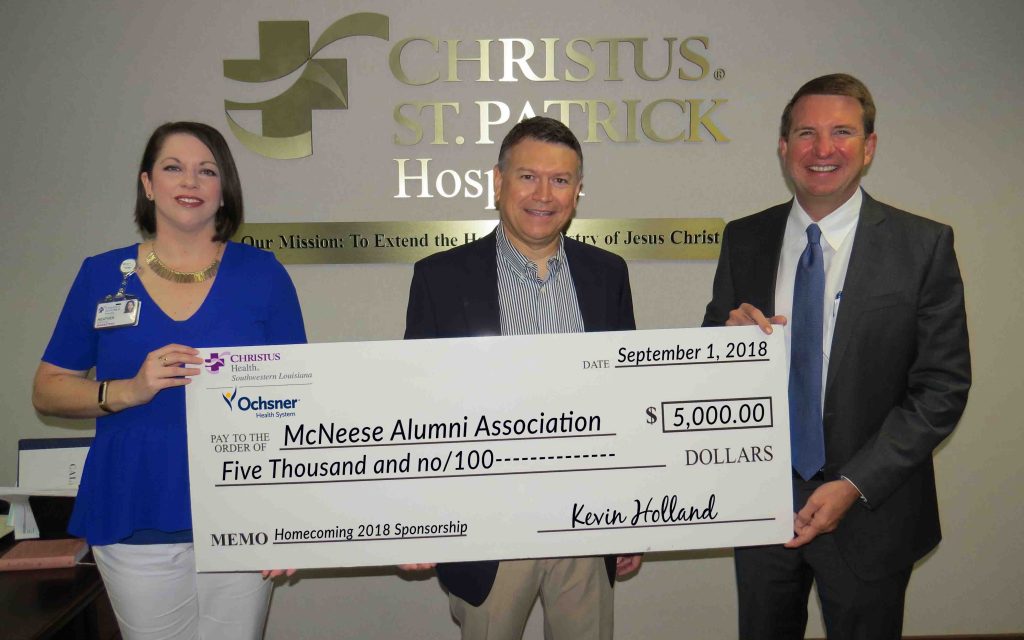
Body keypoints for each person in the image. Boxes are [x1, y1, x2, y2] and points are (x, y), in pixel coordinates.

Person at [702, 74, 971, 639]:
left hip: (872, 510)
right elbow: (711, 361)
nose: (822, 150)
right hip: (761, 505)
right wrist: (723, 341)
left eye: (842, 133)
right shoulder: (744, 238)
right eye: (806, 133)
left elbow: (941, 388)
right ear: (784, 148)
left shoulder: (922, 245)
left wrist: (853, 484)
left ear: (868, 147)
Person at [32, 122, 306, 639]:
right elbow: (47, 389)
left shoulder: (263, 274)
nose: (191, 181)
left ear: (224, 188)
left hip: (242, 509)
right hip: (134, 507)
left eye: (207, 170)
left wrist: (288, 518)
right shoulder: (100, 275)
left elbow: (296, 402)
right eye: (173, 167)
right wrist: (128, 391)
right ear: (148, 184)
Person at [402, 116, 642, 640]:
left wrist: (629, 514)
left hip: (586, 522)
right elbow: (418, 407)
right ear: (498, 182)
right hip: (487, 530)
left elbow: (625, 399)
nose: (543, 194)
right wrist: (415, 516)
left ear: (578, 193)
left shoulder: (608, 274)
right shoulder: (439, 278)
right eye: (528, 176)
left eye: (560, 180)